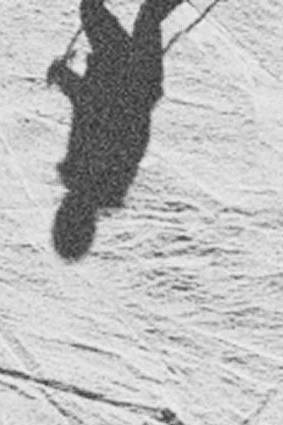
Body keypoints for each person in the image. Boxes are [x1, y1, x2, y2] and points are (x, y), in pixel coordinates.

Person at [47, 0, 181, 262]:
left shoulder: (108, 185)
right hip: (123, 70)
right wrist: (63, 77)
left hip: (140, 81)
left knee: (146, 17)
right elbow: (94, 107)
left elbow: (99, 112)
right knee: (107, 12)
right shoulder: (87, 172)